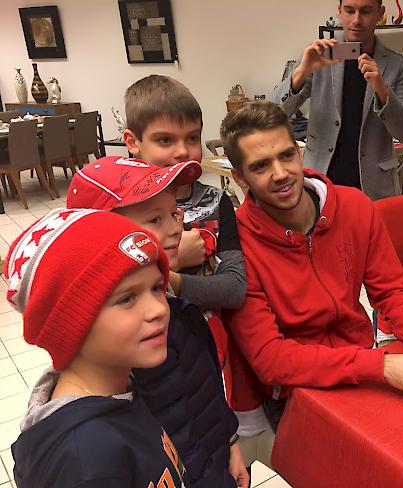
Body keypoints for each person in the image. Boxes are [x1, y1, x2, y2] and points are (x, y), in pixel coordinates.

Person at [220, 100, 403, 431]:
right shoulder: (236, 245)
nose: (281, 174)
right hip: (297, 389)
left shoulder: (354, 207)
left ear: (300, 154)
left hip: (361, 363)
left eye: (286, 156)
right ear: (239, 177)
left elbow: (392, 292)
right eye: (260, 166)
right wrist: (380, 367)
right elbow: (271, 359)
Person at [66, 157, 248, 488]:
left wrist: (229, 442)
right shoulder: (122, 341)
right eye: (154, 218)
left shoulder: (174, 306)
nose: (177, 227)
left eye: (173, 212)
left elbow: (203, 389)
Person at [7, 208, 190, 487]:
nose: (157, 310)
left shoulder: (119, 387)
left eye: (156, 288)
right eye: (127, 298)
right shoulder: (87, 462)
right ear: (69, 323)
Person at [123, 74, 246, 365]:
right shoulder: (122, 207)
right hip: (141, 357)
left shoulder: (217, 202)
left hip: (208, 348)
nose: (182, 151)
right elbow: (108, 289)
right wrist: (171, 261)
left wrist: (171, 278)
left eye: (192, 138)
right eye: (165, 140)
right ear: (133, 142)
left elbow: (234, 289)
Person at [271, 0, 403, 200]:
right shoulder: (319, 56)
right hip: (320, 184)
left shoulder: (398, 65)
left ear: (380, 13)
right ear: (340, 11)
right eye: (349, 10)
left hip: (373, 189)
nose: (356, 20)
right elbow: (273, 113)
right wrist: (301, 73)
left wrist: (382, 89)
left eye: (365, 11)